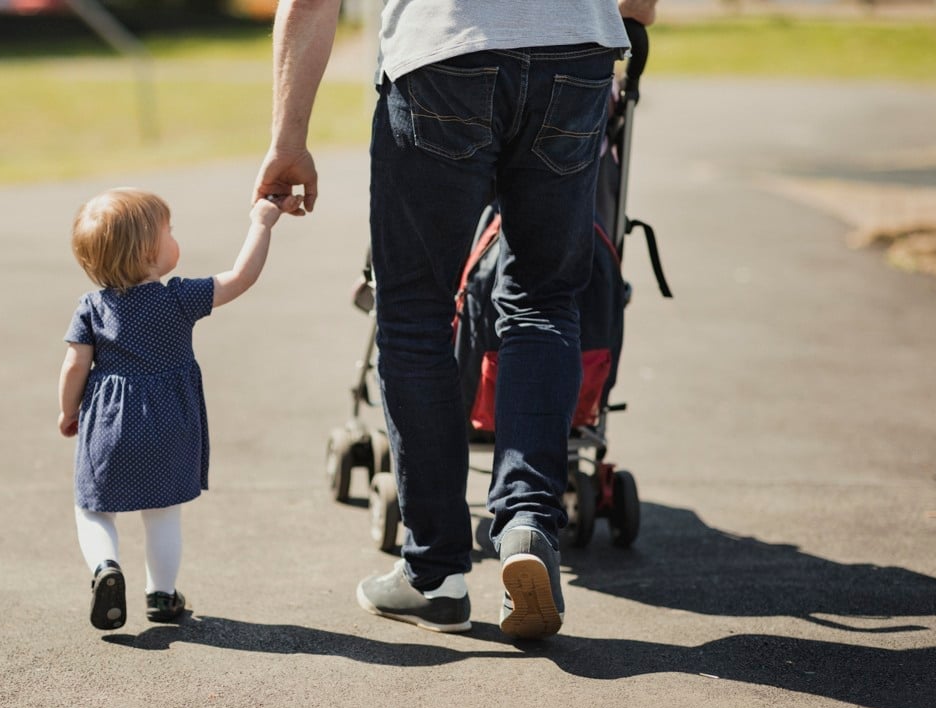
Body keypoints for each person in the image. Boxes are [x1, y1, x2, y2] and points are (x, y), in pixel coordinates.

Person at [255, 0, 653, 640]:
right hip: (576, 53)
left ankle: (436, 573)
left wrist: (287, 139)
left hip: (447, 49)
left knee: (415, 316)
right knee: (544, 302)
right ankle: (527, 520)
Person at [58, 188, 300, 630]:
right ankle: (162, 595)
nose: (175, 238)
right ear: (151, 252)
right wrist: (262, 223)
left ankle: (106, 568)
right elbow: (242, 277)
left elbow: (75, 364)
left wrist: (67, 411)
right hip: (171, 422)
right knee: (163, 510)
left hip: (109, 424)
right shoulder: (179, 298)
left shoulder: (92, 308)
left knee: (93, 509)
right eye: (170, 232)